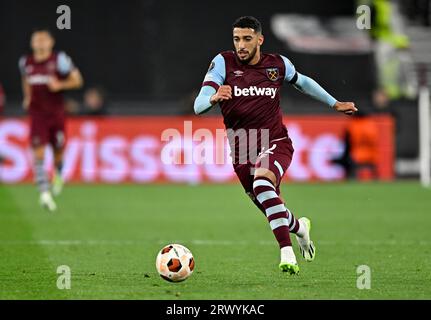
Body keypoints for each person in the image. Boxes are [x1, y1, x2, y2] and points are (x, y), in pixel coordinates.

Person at [194, 16, 357, 274]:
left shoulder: (277, 65)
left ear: (260, 40)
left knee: (262, 184)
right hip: (242, 149)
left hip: (276, 141)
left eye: (247, 39)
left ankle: (286, 253)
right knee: (271, 208)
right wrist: (214, 97)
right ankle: (300, 228)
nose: (241, 45)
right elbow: (198, 105)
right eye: (237, 39)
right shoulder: (223, 63)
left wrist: (334, 103)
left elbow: (303, 82)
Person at [19, 28, 83, 211]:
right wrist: (27, 97)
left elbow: (78, 80)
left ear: (51, 42)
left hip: (56, 115)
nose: (39, 42)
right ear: (32, 43)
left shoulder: (59, 60)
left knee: (58, 153)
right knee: (38, 153)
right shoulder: (25, 62)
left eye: (43, 39)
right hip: (37, 114)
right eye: (36, 39)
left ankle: (58, 173)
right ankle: (44, 192)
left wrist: (60, 84)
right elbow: (25, 79)